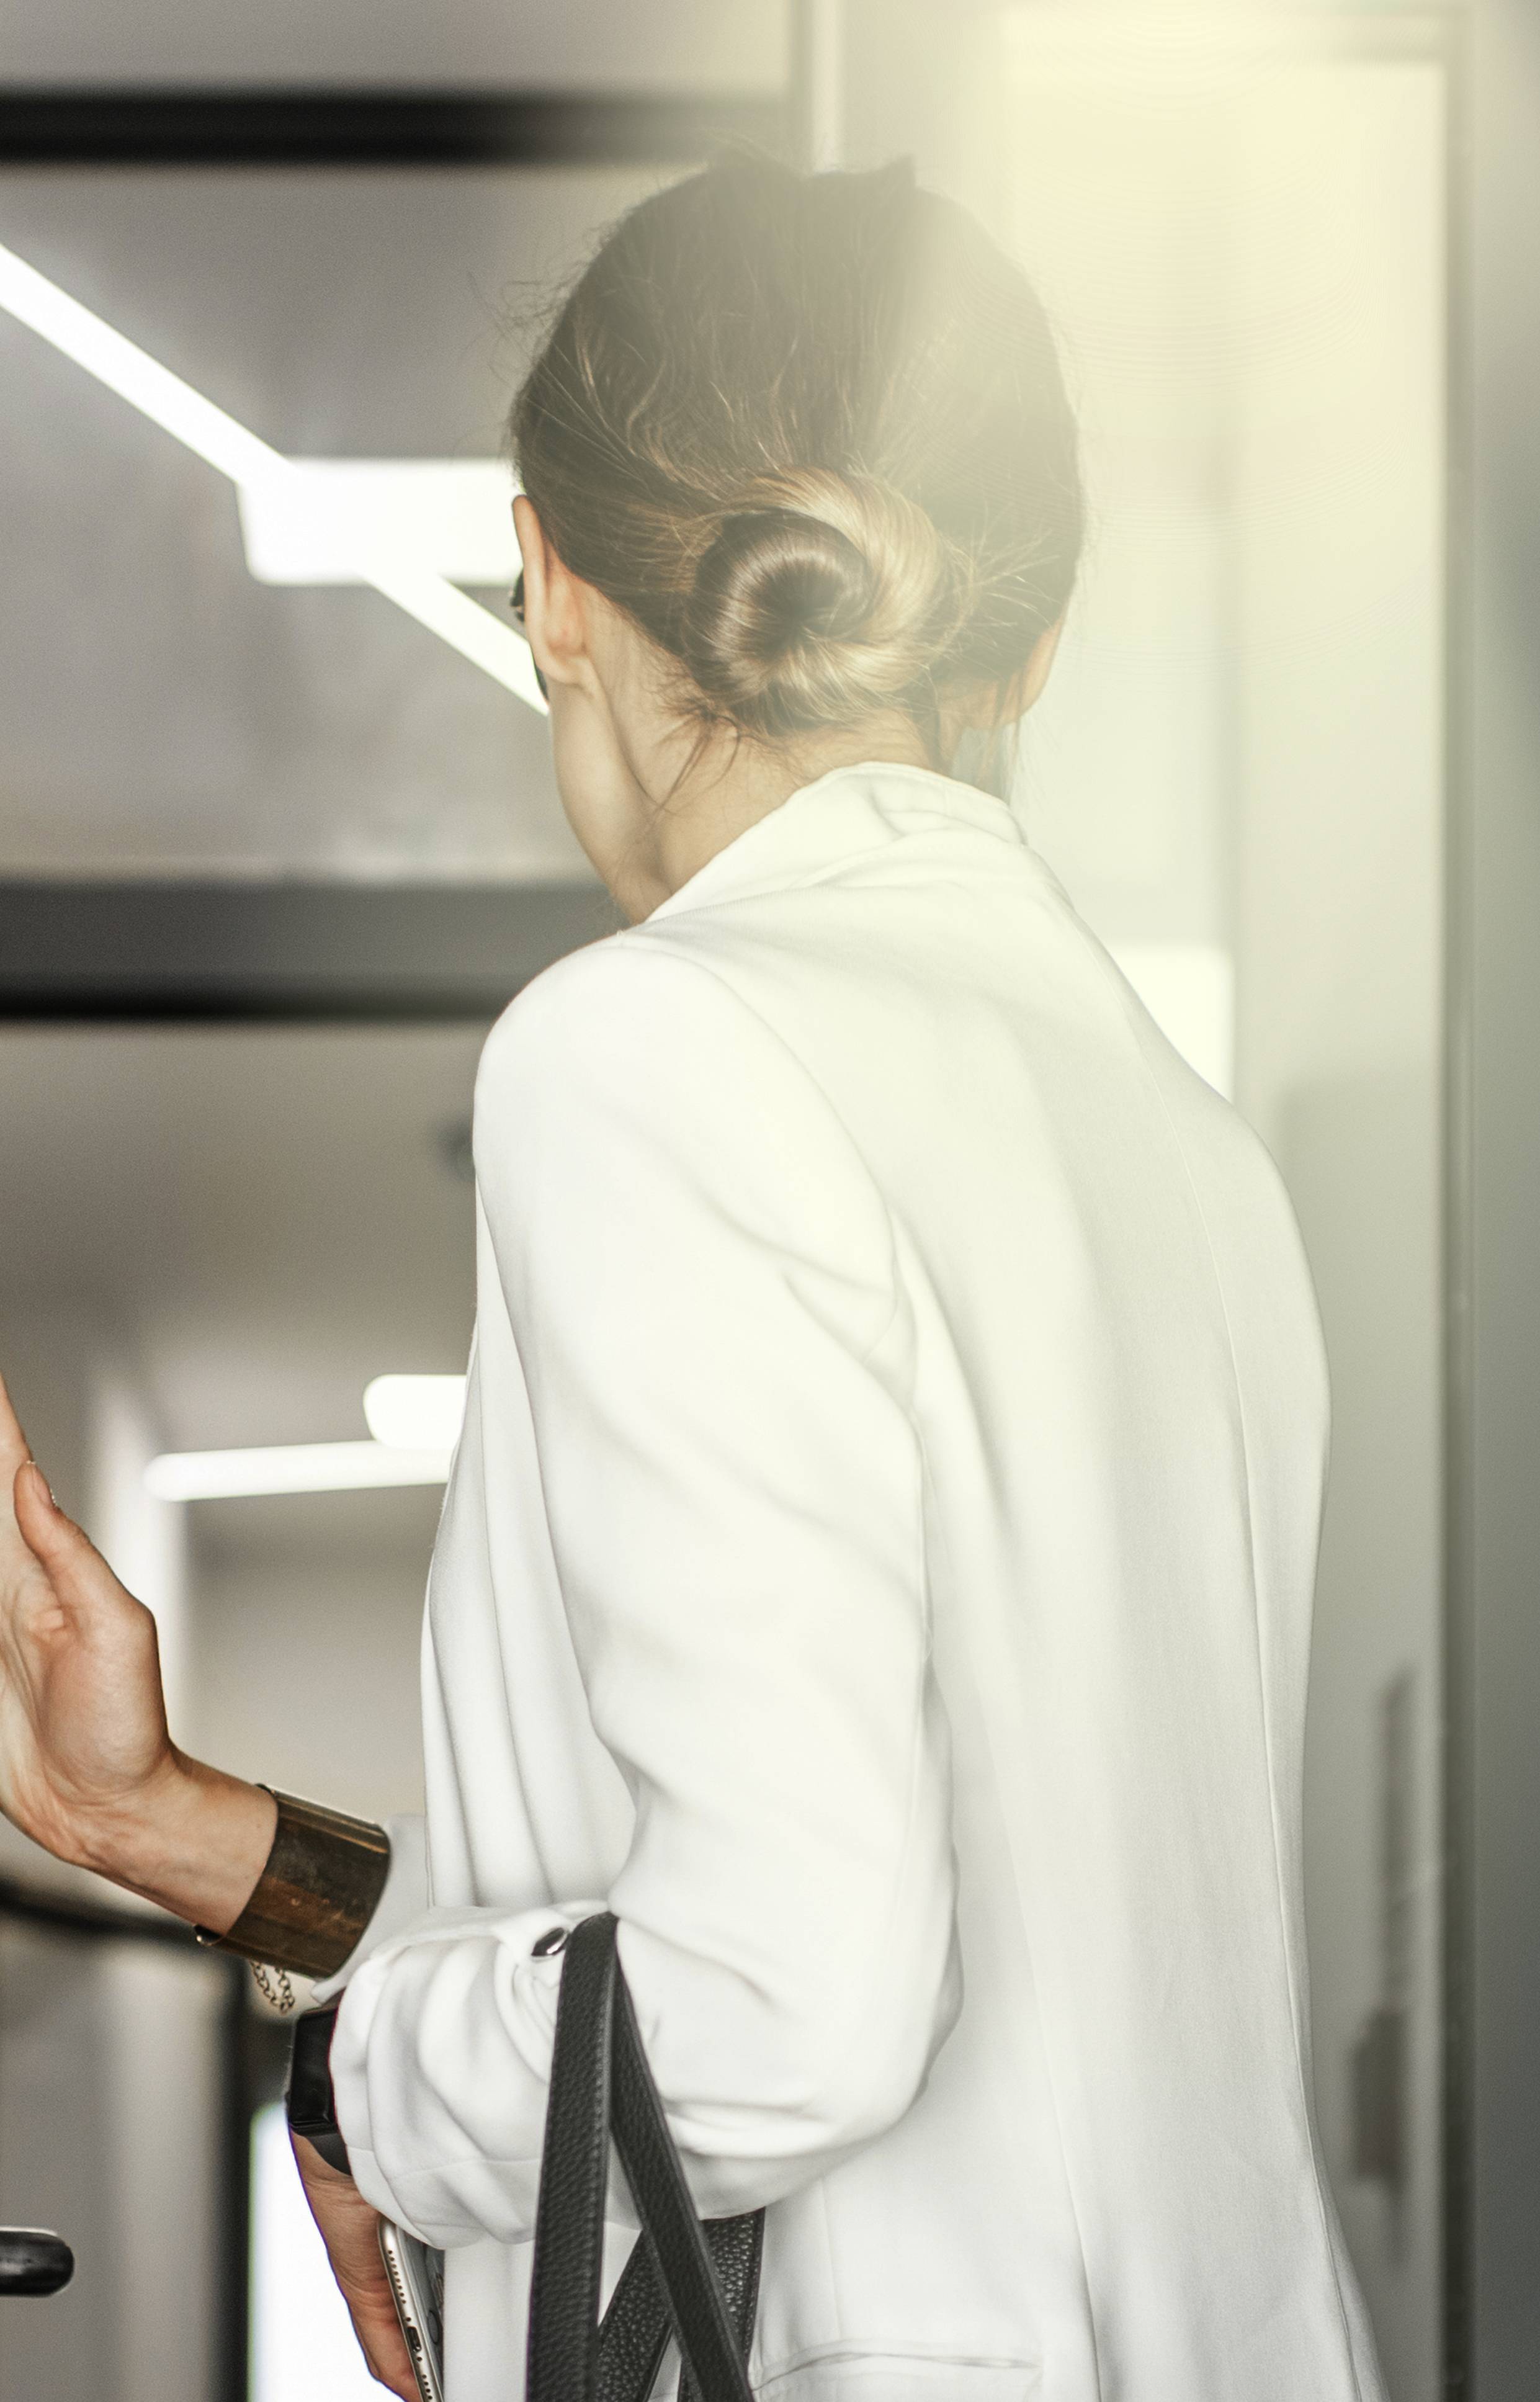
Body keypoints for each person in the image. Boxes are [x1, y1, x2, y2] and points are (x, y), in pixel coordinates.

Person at [0, 153, 1381, 2402]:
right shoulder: (1180, 1149)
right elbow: (836, 1886)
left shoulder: (653, 1044)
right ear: (1031, 639)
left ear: (545, 578)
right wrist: (194, 1842)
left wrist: (371, 2093)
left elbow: (775, 2001)